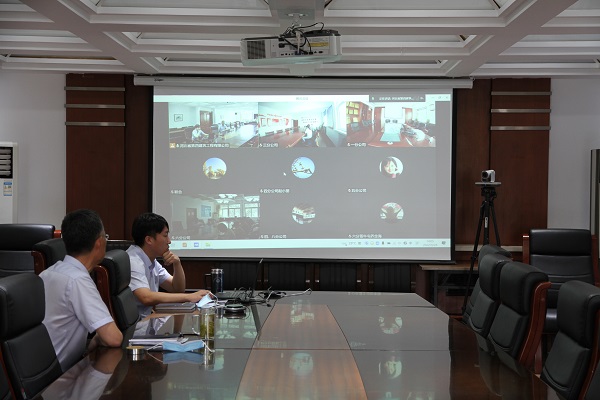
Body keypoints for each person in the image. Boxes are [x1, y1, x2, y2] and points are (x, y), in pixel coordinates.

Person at [40, 209, 123, 372]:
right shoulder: (78, 280)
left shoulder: (48, 272)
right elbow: (113, 338)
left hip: (42, 368)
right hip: (60, 377)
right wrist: (99, 337)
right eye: (105, 237)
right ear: (99, 242)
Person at [127, 212, 211, 318]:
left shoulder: (151, 260)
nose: (169, 241)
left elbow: (177, 289)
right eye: (165, 235)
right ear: (149, 240)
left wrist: (177, 263)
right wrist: (189, 297)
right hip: (139, 323)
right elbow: (146, 297)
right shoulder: (133, 261)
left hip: (149, 318)